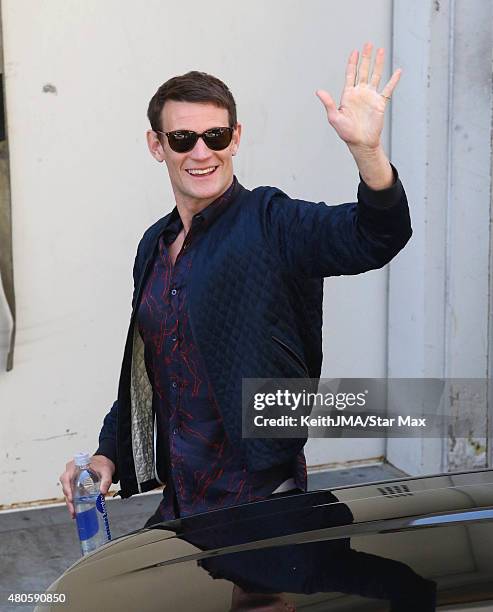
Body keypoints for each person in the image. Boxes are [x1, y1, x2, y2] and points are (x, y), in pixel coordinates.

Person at [60, 42, 408, 524]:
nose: (202, 153)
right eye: (183, 139)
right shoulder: (154, 246)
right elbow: (153, 372)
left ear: (236, 137)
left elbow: (375, 237)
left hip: (260, 495)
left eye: (216, 135)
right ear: (156, 146)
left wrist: (368, 151)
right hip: (181, 499)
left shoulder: (271, 221)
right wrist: (107, 454)